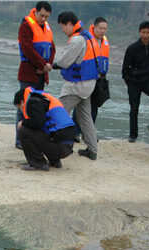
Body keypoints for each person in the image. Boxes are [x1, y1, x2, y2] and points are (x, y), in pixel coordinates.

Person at [53, 11, 98, 161]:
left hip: (76, 86)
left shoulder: (77, 40)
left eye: (62, 27)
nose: (62, 30)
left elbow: (64, 61)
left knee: (57, 112)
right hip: (89, 84)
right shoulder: (89, 36)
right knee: (85, 117)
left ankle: (52, 144)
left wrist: (52, 65)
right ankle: (92, 149)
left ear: (69, 24)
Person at [16, 1, 56, 150]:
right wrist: (42, 65)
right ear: (36, 12)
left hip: (41, 75)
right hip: (28, 73)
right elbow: (27, 48)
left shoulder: (46, 27)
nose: (44, 19)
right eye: (42, 15)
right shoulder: (26, 25)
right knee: (24, 106)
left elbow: (52, 48)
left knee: (38, 107)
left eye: (47, 17)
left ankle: (34, 138)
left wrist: (47, 66)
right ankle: (19, 140)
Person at [13, 87, 75, 171]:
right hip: (67, 146)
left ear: (22, 102)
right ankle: (54, 161)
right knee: (42, 130)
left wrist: (23, 123)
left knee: (23, 130)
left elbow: (38, 123)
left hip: (61, 148)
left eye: (19, 106)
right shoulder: (42, 100)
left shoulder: (33, 102)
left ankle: (38, 163)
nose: (20, 109)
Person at [72, 17, 109, 140]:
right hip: (85, 79)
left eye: (105, 29)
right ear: (94, 27)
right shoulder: (86, 39)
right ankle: (75, 132)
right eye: (101, 28)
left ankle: (88, 134)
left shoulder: (104, 42)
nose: (103, 31)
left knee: (94, 108)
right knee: (80, 106)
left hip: (99, 80)